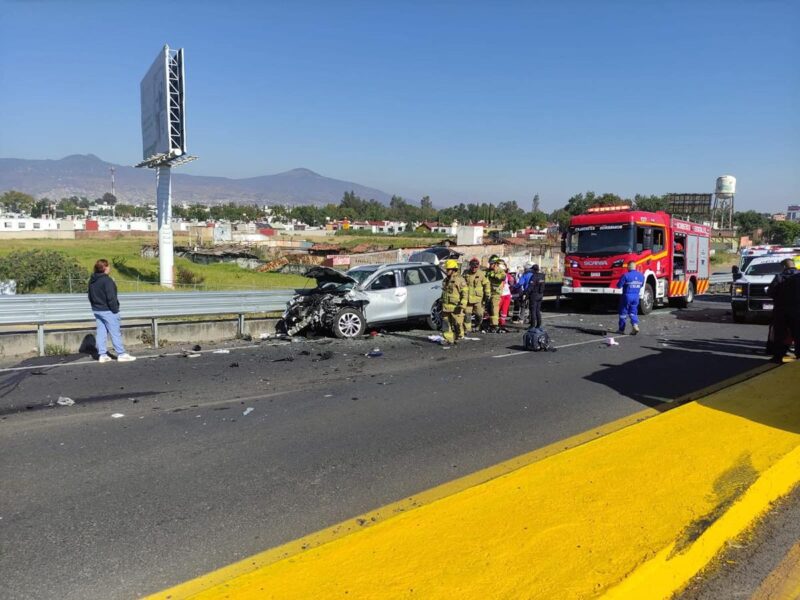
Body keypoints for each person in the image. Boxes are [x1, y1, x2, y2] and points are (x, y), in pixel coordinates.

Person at [88, 259, 136, 362]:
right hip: (108, 310)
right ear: (105, 267)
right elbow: (111, 297)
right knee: (115, 332)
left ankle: (102, 355)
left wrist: (95, 306)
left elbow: (90, 296)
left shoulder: (92, 280)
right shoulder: (107, 280)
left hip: (97, 310)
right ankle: (121, 354)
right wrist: (115, 310)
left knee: (101, 332)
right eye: (108, 266)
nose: (110, 268)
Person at [767, 258, 799, 362]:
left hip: (782, 310)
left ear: (784, 267)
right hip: (798, 310)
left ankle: (778, 356)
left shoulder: (779, 277)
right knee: (798, 333)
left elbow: (771, 292)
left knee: (780, 334)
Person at [440, 259, 468, 345]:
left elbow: (465, 293)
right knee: (446, 323)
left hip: (456, 307)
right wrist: (441, 301)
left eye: (448, 269)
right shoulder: (445, 280)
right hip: (445, 307)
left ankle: (459, 336)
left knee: (457, 323)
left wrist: (463, 304)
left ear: (453, 270)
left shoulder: (460, 280)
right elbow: (444, 293)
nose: (446, 271)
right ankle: (448, 339)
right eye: (446, 269)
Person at [616, 261, 644, 335]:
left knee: (623, 313)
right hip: (636, 296)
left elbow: (619, 286)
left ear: (628, 267)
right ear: (635, 267)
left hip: (626, 296)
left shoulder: (626, 275)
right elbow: (641, 285)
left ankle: (621, 330)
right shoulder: (641, 276)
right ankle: (635, 325)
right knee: (633, 312)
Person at [463, 257, 490, 333]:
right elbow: (461, 283)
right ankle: (467, 329)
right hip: (468, 298)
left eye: (475, 267)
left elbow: (486, 284)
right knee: (467, 314)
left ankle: (477, 326)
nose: (474, 269)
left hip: (478, 299)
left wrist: (487, 294)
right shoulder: (465, 273)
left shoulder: (481, 274)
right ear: (470, 266)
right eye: (473, 267)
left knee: (479, 314)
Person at [486, 257, 507, 333]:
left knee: (494, 308)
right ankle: (490, 323)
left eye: (491, 264)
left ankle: (495, 325)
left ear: (495, 264)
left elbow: (503, 277)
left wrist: (494, 275)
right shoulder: (488, 271)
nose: (490, 265)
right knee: (489, 308)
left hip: (496, 293)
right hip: (489, 292)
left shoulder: (500, 271)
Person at [527, 264, 546, 329]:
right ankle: (539, 324)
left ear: (533, 270)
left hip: (534, 295)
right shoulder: (542, 276)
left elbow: (530, 287)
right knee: (538, 310)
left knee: (533, 310)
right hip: (540, 295)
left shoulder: (534, 276)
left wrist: (526, 294)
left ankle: (532, 325)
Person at [498, 261, 514, 332]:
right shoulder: (507, 275)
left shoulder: (504, 275)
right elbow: (512, 283)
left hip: (503, 295)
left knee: (500, 310)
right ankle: (501, 323)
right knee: (503, 311)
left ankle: (501, 324)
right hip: (506, 294)